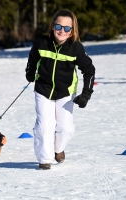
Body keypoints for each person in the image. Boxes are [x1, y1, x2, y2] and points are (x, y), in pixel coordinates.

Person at [25, 9, 95, 170]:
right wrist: (30, 72)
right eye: (58, 27)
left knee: (64, 127)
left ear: (72, 31)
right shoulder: (42, 43)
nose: (62, 31)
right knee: (44, 126)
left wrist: (86, 94)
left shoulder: (75, 48)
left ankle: (59, 149)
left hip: (66, 92)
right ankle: (44, 159)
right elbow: (33, 57)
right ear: (52, 27)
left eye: (66, 28)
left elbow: (89, 71)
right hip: (43, 89)